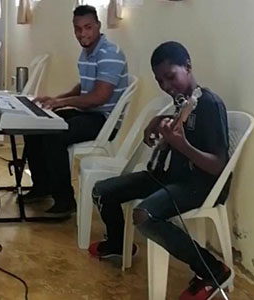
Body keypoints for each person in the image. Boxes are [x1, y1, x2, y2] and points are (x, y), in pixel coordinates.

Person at [88, 41, 232, 300]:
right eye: (160, 81)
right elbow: (178, 133)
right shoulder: (182, 102)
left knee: (144, 215)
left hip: (201, 184)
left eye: (170, 77)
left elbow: (218, 165)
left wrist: (181, 145)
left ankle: (211, 269)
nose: (166, 86)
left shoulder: (209, 104)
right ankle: (119, 244)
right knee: (102, 191)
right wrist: (157, 126)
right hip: (171, 177)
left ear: (187, 67)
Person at [22, 5, 129, 218]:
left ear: (98, 26)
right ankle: (41, 186)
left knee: (55, 135)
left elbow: (98, 97)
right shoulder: (88, 52)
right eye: (78, 29)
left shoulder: (110, 53)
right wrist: (56, 99)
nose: (83, 33)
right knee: (35, 125)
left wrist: (62, 104)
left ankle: (64, 200)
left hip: (104, 120)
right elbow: (84, 86)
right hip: (89, 114)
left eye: (88, 27)